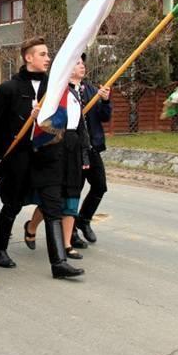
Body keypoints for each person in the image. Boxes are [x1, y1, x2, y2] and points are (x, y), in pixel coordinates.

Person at [0, 36, 83, 278]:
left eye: (48, 54)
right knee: (11, 205)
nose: (47, 58)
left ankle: (59, 263)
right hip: (18, 159)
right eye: (42, 54)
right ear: (28, 57)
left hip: (48, 157)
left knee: (53, 208)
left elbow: (62, 121)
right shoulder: (8, 89)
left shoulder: (55, 88)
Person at [24, 57, 92, 260]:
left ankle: (67, 243)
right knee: (53, 198)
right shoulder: (51, 93)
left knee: (72, 196)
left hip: (73, 146)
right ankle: (32, 226)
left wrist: (84, 153)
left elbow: (81, 126)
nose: (79, 65)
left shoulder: (73, 94)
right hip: (55, 145)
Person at [75, 55, 111, 245]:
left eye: (83, 63)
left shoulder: (91, 90)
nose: (82, 66)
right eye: (77, 63)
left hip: (92, 147)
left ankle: (84, 219)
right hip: (75, 149)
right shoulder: (63, 91)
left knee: (99, 186)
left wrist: (105, 101)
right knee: (75, 190)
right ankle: (70, 229)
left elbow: (104, 117)